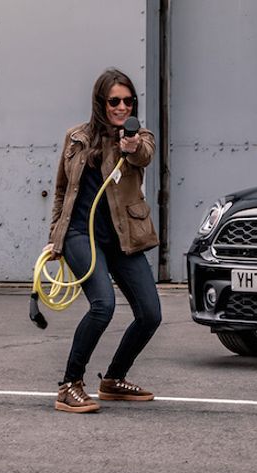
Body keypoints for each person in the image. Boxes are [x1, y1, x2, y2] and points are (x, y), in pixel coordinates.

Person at [44, 68, 161, 413]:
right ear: (100, 102)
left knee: (150, 314)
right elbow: (62, 190)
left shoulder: (139, 137)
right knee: (103, 305)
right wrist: (55, 238)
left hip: (124, 238)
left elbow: (144, 154)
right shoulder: (76, 138)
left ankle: (113, 379)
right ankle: (69, 384)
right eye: (114, 101)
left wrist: (130, 146)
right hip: (80, 234)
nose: (122, 107)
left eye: (128, 101)